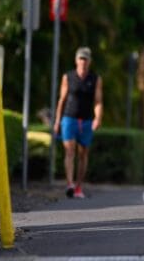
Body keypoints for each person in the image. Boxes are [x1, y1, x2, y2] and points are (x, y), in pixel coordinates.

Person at [53, 46, 103, 199]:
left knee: (83, 154)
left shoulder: (95, 79)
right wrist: (57, 121)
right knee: (69, 151)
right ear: (76, 60)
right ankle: (70, 184)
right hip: (69, 118)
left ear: (89, 61)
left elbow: (98, 101)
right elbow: (62, 100)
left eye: (85, 59)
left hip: (86, 120)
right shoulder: (68, 77)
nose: (83, 61)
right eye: (81, 58)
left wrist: (97, 118)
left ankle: (79, 186)